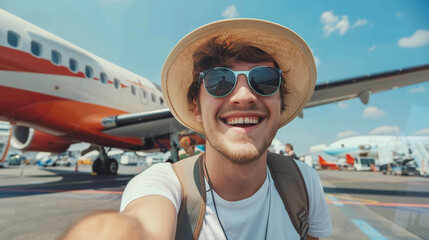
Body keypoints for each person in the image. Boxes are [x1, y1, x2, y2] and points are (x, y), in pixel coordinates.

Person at [60, 19, 332, 240]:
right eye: (218, 81)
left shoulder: (304, 185)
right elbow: (142, 225)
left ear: (282, 103)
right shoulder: (159, 185)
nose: (243, 96)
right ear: (196, 107)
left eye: (264, 80)